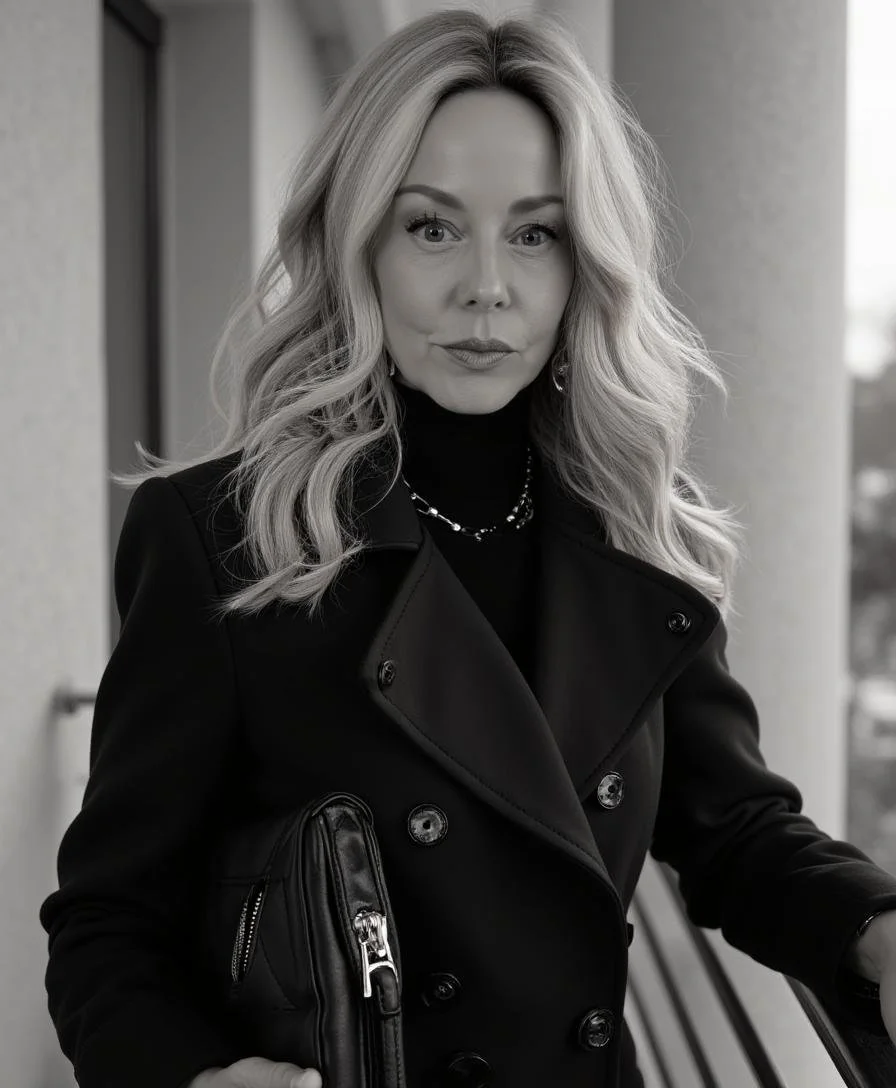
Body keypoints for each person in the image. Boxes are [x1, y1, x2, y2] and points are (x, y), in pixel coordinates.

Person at [38, 7, 896, 1088]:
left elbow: (735, 830)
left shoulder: (633, 523)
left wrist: (875, 928)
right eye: (431, 227)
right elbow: (109, 918)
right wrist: (192, 1077)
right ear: (358, 245)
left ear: (585, 264)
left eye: (534, 234)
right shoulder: (227, 537)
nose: (486, 286)